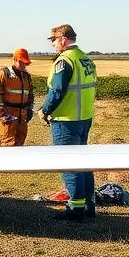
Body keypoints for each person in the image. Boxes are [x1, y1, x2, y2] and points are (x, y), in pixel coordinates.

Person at [40, 25, 98, 220]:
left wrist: (44, 110)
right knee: (83, 163)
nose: (53, 45)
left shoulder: (64, 61)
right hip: (84, 118)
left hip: (66, 120)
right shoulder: (85, 58)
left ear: (63, 39)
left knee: (69, 164)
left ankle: (76, 209)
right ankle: (89, 205)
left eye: (54, 40)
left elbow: (57, 91)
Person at [0, 48, 34, 146]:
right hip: (8, 115)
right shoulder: (3, 74)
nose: (24, 65)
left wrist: (29, 110)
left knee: (20, 144)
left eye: (26, 63)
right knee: (7, 144)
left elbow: (30, 95)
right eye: (22, 62)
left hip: (22, 116)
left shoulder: (27, 76)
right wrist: (3, 113)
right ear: (14, 60)